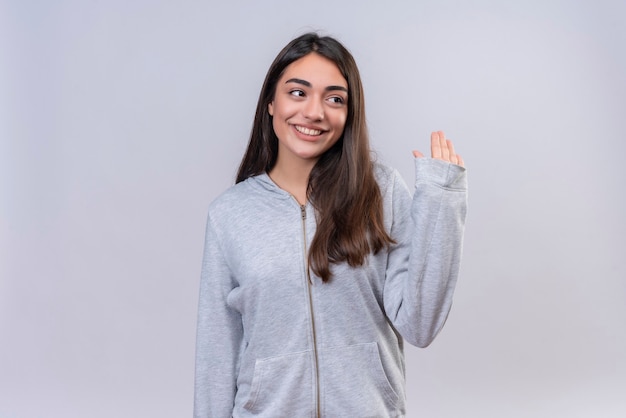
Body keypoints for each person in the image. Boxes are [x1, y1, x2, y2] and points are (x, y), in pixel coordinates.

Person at [194, 32, 467, 418]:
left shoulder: (381, 191)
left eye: (334, 98)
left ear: (349, 113)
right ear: (271, 103)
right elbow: (216, 354)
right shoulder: (229, 214)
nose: (314, 112)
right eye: (298, 93)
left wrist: (441, 201)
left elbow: (420, 324)